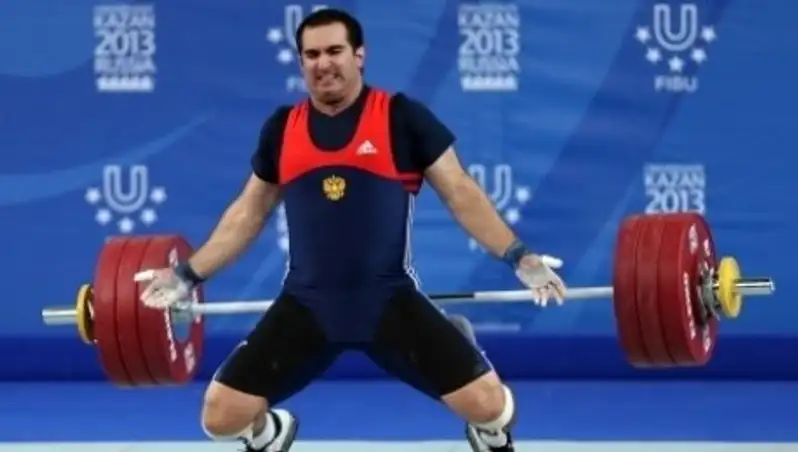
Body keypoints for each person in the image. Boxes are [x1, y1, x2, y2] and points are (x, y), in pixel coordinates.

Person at [135, 7, 566, 452]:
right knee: (219, 418)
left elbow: (460, 192)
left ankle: (487, 429)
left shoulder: (401, 118)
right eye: (312, 55)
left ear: (359, 55)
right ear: (301, 62)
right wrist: (187, 275)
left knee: (491, 406)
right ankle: (270, 434)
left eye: (335, 51)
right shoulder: (283, 129)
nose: (324, 63)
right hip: (307, 305)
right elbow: (248, 212)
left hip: (388, 302)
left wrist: (519, 256)